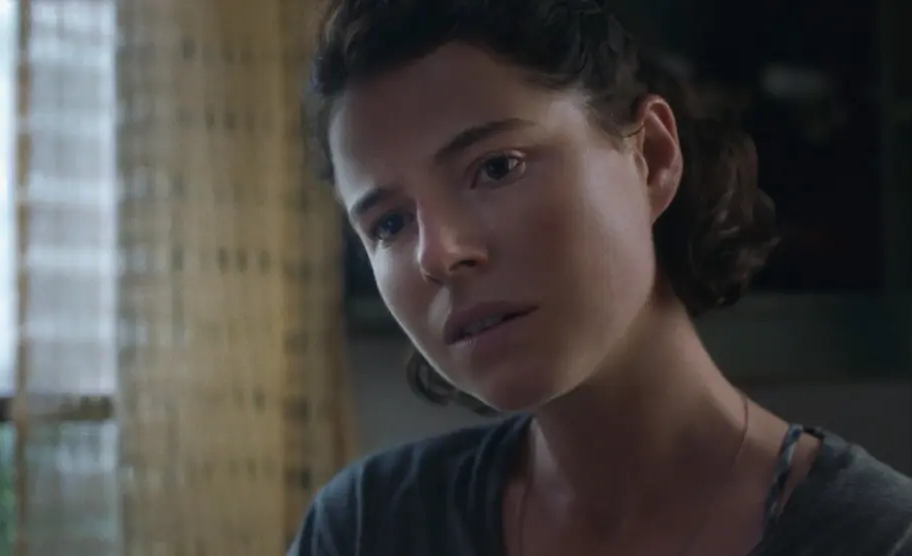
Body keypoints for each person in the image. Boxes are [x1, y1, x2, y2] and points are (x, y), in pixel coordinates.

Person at [292, 1, 912, 554]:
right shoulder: (367, 528)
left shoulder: (878, 538)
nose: (439, 254)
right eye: (390, 223)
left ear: (652, 158)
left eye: (498, 167)